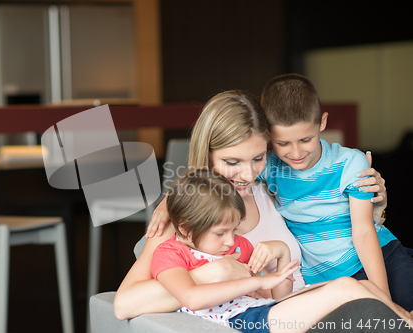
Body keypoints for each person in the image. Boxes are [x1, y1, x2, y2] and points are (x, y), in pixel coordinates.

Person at [114, 90, 388, 322]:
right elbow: (124, 304)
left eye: (257, 158)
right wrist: (211, 273)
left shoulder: (268, 188)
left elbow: (326, 227)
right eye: (232, 162)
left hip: (316, 302)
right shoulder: (181, 219)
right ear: (206, 152)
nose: (248, 175)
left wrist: (375, 209)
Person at [151, 168, 411, 333]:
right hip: (242, 320)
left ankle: (405, 320)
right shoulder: (171, 252)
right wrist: (256, 281)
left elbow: (272, 294)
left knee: (355, 285)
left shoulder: (238, 247)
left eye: (234, 229)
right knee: (347, 290)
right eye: (221, 234)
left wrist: (279, 264)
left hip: (266, 308)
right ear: (185, 230)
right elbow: (191, 299)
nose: (232, 241)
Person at [258, 73, 413, 311]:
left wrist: (383, 300)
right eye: (283, 143)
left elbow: (363, 232)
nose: (296, 152)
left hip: (379, 257)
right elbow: (225, 174)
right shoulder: (267, 167)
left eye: (305, 139)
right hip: (326, 277)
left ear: (322, 122)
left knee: (403, 304)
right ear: (268, 135)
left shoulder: (351, 163)